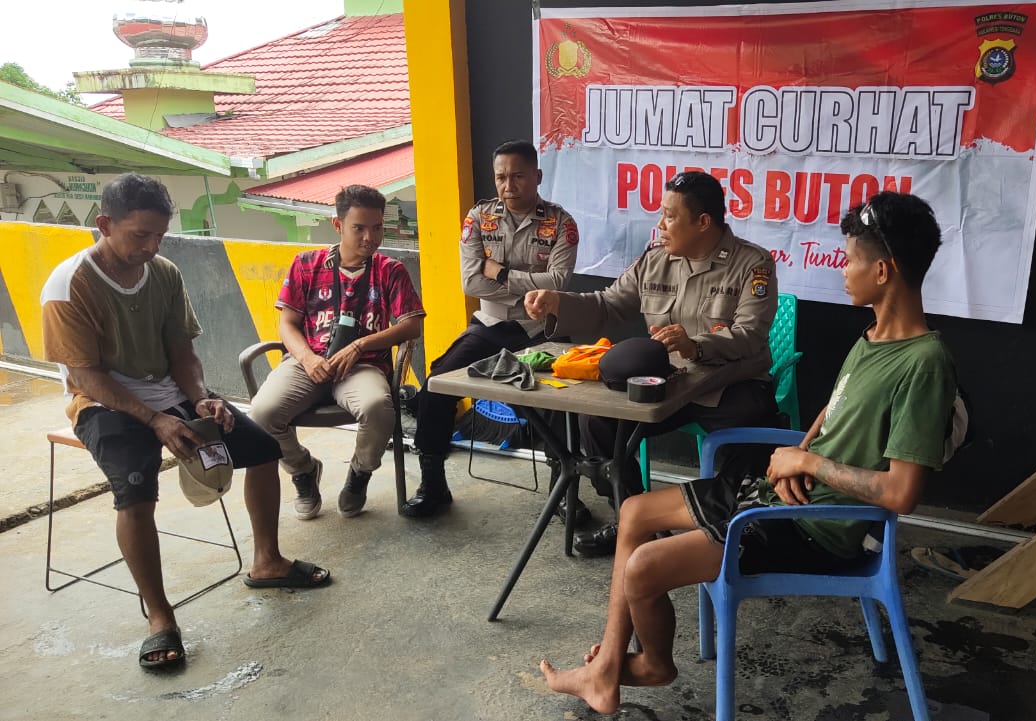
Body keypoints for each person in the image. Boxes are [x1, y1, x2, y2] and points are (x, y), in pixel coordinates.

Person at [538, 191, 958, 714]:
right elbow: (835, 411)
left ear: (883, 270)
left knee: (642, 568)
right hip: (780, 495)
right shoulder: (872, 337)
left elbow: (901, 492)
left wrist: (804, 462)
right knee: (633, 512)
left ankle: (650, 666)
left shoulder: (924, 363)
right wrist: (797, 453)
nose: (843, 272)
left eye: (850, 260)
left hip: (815, 529)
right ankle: (606, 672)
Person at [40, 174, 331, 671]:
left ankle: (267, 562)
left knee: (261, 448)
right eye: (140, 235)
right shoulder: (69, 286)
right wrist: (155, 420)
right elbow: (86, 375)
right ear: (104, 224)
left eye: (159, 236)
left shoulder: (165, 272)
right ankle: (159, 617)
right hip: (103, 404)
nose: (151, 247)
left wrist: (198, 399)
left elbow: (182, 351)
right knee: (135, 489)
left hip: (170, 391)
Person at [524, 170, 780, 557]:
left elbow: (750, 336)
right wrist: (558, 301)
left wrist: (696, 345)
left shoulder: (752, 264)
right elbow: (608, 304)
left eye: (670, 216)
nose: (660, 225)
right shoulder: (656, 260)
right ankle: (631, 518)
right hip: (669, 381)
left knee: (751, 423)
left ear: (703, 222)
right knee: (597, 421)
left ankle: (727, 529)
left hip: (728, 380)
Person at [403, 140, 580, 519]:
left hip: (539, 329)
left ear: (537, 176)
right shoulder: (478, 218)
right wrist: (530, 282)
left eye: (518, 176)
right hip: (490, 324)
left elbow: (560, 281)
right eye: (501, 177)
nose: (508, 185)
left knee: (564, 398)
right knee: (436, 383)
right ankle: (432, 483)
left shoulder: (561, 222)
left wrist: (498, 271)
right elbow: (471, 283)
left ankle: (563, 490)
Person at [250, 185, 424, 519]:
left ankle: (359, 474)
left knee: (378, 407)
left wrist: (360, 344)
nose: (370, 237)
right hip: (308, 361)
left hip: (363, 365)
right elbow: (287, 324)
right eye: (359, 227)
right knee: (262, 413)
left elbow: (412, 325)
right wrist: (307, 358)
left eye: (377, 228)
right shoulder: (306, 264)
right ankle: (303, 470)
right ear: (338, 225)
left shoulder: (390, 270)